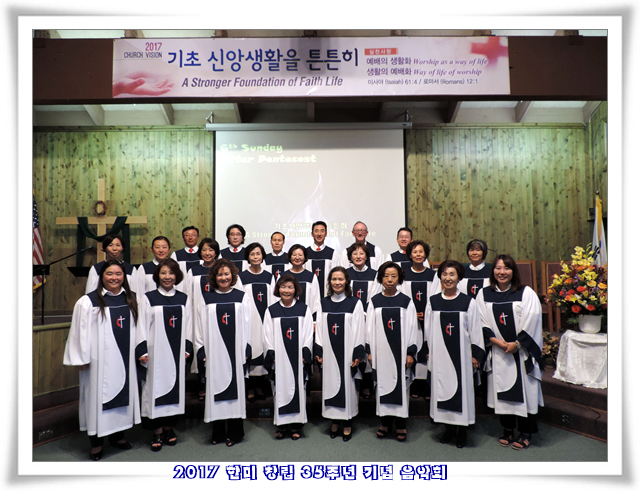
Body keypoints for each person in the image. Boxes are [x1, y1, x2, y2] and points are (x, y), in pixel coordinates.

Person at [63, 260, 140, 460]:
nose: (114, 278)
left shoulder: (132, 298)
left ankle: (118, 436)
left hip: (125, 359)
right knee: (96, 400)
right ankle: (96, 444)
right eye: (109, 274)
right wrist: (80, 357)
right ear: (102, 277)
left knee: (123, 395)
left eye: (118, 274)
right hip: (98, 362)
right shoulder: (88, 302)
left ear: (124, 277)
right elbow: (79, 331)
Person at [475, 254, 544, 450]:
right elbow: (479, 320)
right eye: (498, 268)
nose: (502, 272)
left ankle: (526, 431)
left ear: (513, 271)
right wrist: (495, 341)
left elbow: (533, 320)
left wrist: (518, 343)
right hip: (498, 353)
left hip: (521, 353)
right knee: (502, 388)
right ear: (493, 271)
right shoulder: (484, 294)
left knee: (526, 391)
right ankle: (507, 428)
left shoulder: (526, 293)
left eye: (506, 268)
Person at [425, 260, 485, 449]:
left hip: (462, 357)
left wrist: (476, 355)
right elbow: (428, 329)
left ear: (459, 277)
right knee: (442, 389)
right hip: (440, 356)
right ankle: (448, 429)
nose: (448, 278)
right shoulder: (433, 301)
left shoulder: (468, 302)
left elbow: (475, 329)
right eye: (444, 274)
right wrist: (429, 350)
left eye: (452, 274)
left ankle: (462, 431)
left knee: (462, 391)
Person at [136, 258, 193, 451]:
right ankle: (157, 431)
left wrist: (187, 348)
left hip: (176, 354)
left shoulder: (184, 298)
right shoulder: (148, 298)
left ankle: (169, 428)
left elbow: (189, 325)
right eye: (163, 273)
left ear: (177, 276)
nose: (167, 277)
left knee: (174, 387)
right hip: (154, 354)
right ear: (157, 276)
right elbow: (141, 326)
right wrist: (142, 350)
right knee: (154, 389)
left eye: (171, 273)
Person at [194, 258, 252, 447]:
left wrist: (246, 347)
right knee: (216, 389)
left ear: (233, 276)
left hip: (235, 352)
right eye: (219, 274)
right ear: (214, 277)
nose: (223, 277)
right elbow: (199, 325)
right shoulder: (206, 298)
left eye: (227, 274)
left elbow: (247, 324)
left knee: (236, 390)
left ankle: (235, 433)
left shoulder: (241, 296)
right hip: (214, 353)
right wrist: (201, 348)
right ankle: (218, 432)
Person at [366, 261, 418, 442]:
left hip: (401, 354)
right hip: (381, 354)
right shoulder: (374, 301)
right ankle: (385, 423)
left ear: (399, 278)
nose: (389, 280)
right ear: (381, 278)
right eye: (386, 276)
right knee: (383, 386)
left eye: (393, 276)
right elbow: (369, 328)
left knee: (401, 386)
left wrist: (410, 352)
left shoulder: (406, 301)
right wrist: (369, 351)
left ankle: (401, 424)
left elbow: (412, 327)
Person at [314, 267, 365, 441]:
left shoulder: (355, 303)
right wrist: (319, 349)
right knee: (331, 385)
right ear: (329, 282)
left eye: (340, 279)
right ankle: (334, 421)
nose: (337, 282)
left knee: (347, 387)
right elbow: (319, 328)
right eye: (334, 279)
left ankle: (348, 422)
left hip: (348, 353)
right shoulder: (323, 303)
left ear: (347, 281)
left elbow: (359, 328)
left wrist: (357, 352)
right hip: (329, 353)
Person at [263, 274, 314, 440]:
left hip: (297, 359)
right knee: (280, 390)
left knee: (298, 389)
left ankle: (296, 425)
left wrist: (305, 353)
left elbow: (308, 333)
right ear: (278, 289)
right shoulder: (271, 310)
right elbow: (267, 335)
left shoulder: (303, 309)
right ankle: (281, 425)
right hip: (279, 360)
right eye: (283, 287)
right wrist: (272, 353)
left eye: (290, 287)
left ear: (295, 289)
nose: (286, 290)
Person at [399, 240, 441, 398]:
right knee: (412, 347)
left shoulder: (433, 275)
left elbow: (436, 296)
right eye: (415, 252)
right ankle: (415, 385)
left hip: (428, 320)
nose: (418, 255)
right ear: (410, 255)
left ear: (426, 254)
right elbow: (401, 295)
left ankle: (427, 386)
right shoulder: (403, 274)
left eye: (421, 252)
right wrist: (412, 313)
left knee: (426, 350)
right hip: (409, 320)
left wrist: (426, 312)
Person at [238, 242, 276, 402]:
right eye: (252, 254)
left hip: (264, 319)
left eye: (258, 254)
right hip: (249, 321)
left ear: (262, 256)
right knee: (250, 350)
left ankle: (260, 385)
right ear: (248, 257)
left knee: (263, 348)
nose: (255, 257)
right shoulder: (241, 277)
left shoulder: (269, 276)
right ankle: (250, 387)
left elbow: (274, 299)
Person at [186, 238, 220, 402]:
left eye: (211, 250)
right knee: (200, 347)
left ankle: (217, 384)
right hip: (197, 315)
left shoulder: (221, 269)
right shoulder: (193, 270)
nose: (207, 253)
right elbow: (188, 293)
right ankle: (203, 384)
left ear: (216, 252)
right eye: (205, 250)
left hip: (216, 315)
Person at [344, 242, 379, 399]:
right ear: (350, 257)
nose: (358, 256)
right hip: (351, 319)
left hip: (369, 318)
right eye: (355, 254)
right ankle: (354, 383)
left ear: (367, 256)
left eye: (361, 253)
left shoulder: (374, 274)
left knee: (368, 348)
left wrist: (365, 313)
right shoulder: (345, 274)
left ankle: (366, 385)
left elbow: (375, 296)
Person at [284, 244, 321, 321]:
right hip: (286, 317)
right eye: (294, 255)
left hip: (306, 319)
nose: (297, 258)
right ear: (290, 257)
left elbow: (316, 301)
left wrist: (314, 320)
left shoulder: (311, 277)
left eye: (300, 255)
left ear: (305, 257)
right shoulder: (283, 276)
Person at [306, 221, 340, 297]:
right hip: (309, 294)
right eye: (316, 231)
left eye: (322, 231)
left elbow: (336, 275)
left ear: (326, 234)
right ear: (312, 234)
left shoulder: (332, 253)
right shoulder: (305, 253)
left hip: (327, 294)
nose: (319, 234)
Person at [133, 236, 172, 300]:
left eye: (164, 247)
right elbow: (139, 292)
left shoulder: (174, 267)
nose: (161, 250)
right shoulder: (144, 268)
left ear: (169, 250)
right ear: (152, 249)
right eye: (157, 247)